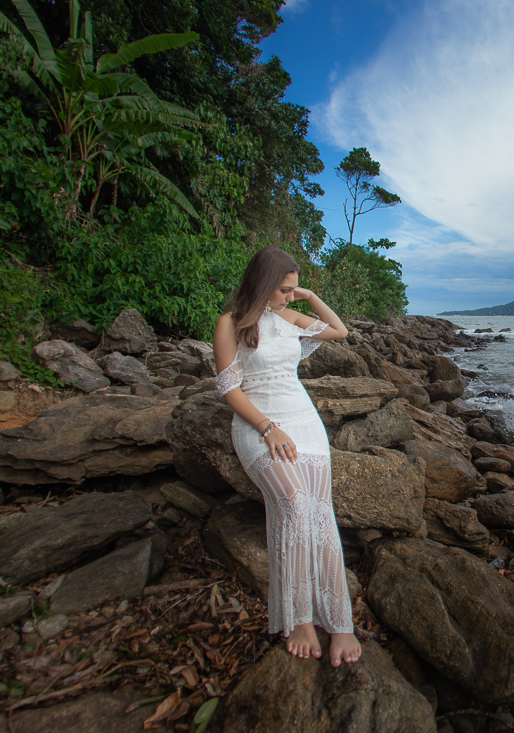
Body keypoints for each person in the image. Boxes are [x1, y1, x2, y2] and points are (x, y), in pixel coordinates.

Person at [212, 246, 361, 667]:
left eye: (291, 290)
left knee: (319, 511)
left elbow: (340, 331)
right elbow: (228, 388)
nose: (286, 297)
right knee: (295, 504)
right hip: (259, 423)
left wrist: (308, 296)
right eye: (282, 289)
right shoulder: (230, 324)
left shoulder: (289, 318)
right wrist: (266, 427)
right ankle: (299, 618)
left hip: (304, 422)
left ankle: (340, 621)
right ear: (261, 284)